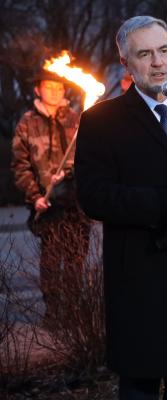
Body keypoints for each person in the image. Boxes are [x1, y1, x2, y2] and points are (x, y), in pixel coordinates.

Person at [75, 16, 167, 399]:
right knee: (141, 386)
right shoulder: (100, 121)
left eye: (163, 50)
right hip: (142, 280)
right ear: (126, 64)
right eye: (145, 54)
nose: (158, 62)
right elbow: (93, 195)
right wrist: (166, 204)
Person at [11, 70, 91, 326]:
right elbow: (20, 166)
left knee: (76, 261)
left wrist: (69, 173)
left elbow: (90, 158)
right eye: (49, 87)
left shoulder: (78, 119)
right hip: (47, 205)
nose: (55, 92)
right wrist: (35, 196)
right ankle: (54, 314)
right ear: (38, 90)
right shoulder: (27, 123)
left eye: (59, 88)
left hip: (76, 204)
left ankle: (73, 312)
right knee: (51, 261)